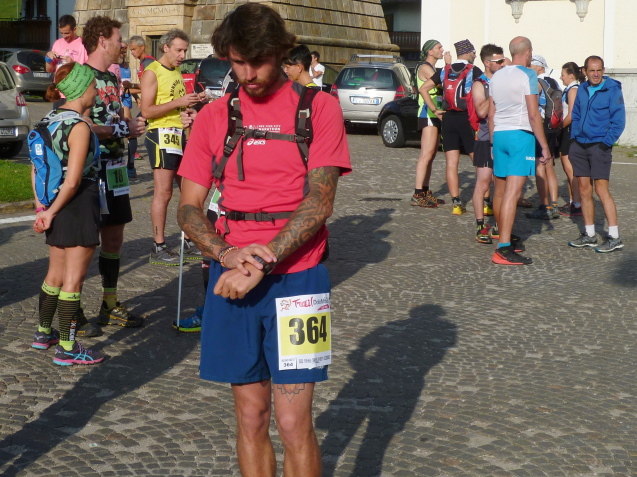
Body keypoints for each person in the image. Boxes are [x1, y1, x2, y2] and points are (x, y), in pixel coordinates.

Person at [177, 4, 351, 475]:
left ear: (280, 53)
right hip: (231, 275)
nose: (248, 74)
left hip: (299, 279)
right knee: (251, 416)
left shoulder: (319, 108)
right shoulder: (215, 116)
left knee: (293, 423)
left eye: (258, 61)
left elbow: (320, 201)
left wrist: (263, 260)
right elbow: (188, 208)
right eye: (238, 63)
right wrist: (227, 253)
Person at [31, 62, 104, 365]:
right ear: (82, 89)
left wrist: (43, 208)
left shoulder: (47, 120)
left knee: (54, 275)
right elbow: (73, 181)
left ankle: (43, 333)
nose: (97, 92)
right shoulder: (79, 127)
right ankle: (68, 347)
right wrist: (52, 212)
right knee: (73, 279)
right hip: (77, 203)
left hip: (52, 202)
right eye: (94, 86)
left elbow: (37, 169)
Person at [82, 16, 146, 326]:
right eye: (119, 39)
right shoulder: (82, 76)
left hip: (116, 166)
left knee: (115, 238)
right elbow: (78, 124)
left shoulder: (111, 77)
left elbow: (114, 116)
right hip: (91, 168)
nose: (123, 45)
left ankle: (109, 303)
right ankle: (72, 310)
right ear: (102, 40)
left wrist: (129, 124)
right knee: (83, 243)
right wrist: (122, 129)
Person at [141, 28, 202, 266]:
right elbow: (147, 111)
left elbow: (176, 105)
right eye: (178, 50)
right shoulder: (152, 72)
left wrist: (190, 107)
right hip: (160, 134)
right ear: (165, 47)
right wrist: (179, 102)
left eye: (185, 51)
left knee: (188, 190)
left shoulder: (176, 71)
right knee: (164, 192)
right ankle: (159, 246)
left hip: (178, 134)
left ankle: (188, 239)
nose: (182, 55)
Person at [488, 36, 551, 265]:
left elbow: (491, 114)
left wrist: (493, 143)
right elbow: (534, 115)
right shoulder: (529, 75)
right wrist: (544, 147)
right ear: (528, 52)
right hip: (520, 135)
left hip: (500, 135)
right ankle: (503, 247)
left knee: (500, 192)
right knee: (513, 194)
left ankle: (504, 236)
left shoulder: (497, 75)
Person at [567, 55, 626, 253]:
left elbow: (619, 121)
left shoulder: (612, 89)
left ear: (603, 70)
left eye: (599, 70)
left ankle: (614, 237)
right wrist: (574, 139)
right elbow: (576, 114)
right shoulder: (582, 89)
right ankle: (590, 234)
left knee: (601, 190)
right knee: (584, 190)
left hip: (599, 146)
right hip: (579, 145)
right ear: (585, 71)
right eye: (592, 70)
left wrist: (605, 144)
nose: (596, 74)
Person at [421, 39, 483, 215]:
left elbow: (423, 89)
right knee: (479, 162)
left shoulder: (444, 70)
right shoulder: (474, 70)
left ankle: (456, 204)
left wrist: (435, 110)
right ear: (468, 53)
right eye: (473, 52)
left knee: (451, 163)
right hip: (467, 119)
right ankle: (486, 202)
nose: (475, 55)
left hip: (448, 119)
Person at [471, 44, 505, 244]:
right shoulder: (480, 84)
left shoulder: (504, 79)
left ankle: (500, 225)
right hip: (484, 138)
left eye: (503, 60)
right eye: (498, 61)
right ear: (486, 63)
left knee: (501, 184)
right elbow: (481, 111)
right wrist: (494, 91)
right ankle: (480, 225)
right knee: (483, 182)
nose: (502, 64)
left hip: (503, 136)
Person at [411, 39, 449, 208]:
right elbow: (443, 83)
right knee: (426, 154)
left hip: (435, 112)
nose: (442, 49)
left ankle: (425, 191)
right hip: (427, 112)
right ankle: (417, 193)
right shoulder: (425, 67)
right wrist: (448, 66)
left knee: (431, 154)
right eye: (438, 47)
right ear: (430, 52)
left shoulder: (432, 68)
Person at [525, 55, 562, 220]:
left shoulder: (537, 82)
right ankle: (554, 204)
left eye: (531, 65)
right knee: (549, 166)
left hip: (541, 127)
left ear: (539, 67)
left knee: (540, 165)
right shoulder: (554, 82)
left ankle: (544, 205)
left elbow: (531, 105)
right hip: (553, 127)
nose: (529, 68)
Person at [557, 61, 585, 217]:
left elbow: (572, 115)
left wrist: (557, 128)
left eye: (563, 74)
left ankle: (577, 204)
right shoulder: (570, 89)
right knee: (568, 170)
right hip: (567, 131)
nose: (561, 77)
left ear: (571, 76)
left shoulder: (573, 90)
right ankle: (573, 201)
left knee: (571, 171)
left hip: (570, 132)